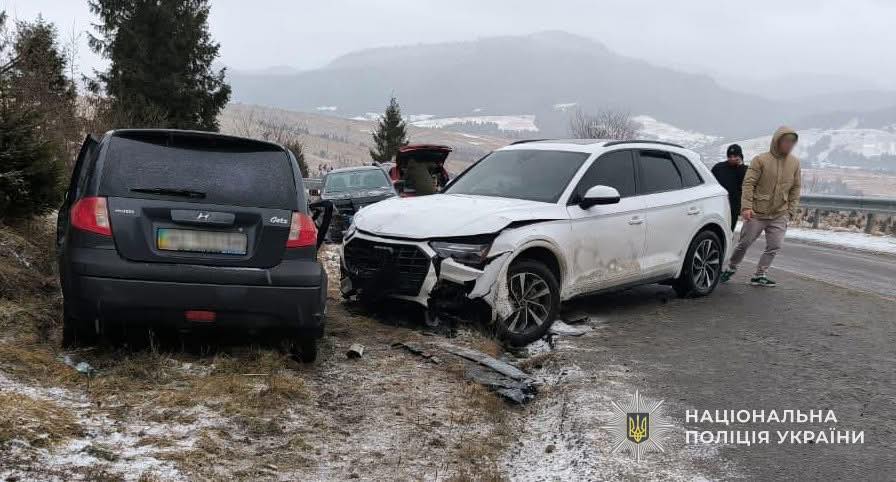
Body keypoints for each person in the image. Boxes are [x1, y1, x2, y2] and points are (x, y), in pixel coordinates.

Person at [721, 127, 801, 287]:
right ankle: (731, 267)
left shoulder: (794, 163)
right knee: (744, 243)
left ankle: (760, 274)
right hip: (756, 212)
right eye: (786, 141)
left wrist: (790, 211)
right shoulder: (760, 160)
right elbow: (748, 184)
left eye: (792, 142)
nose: (789, 145)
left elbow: (796, 187)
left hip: (779, 213)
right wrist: (746, 207)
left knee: (775, 246)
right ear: (777, 141)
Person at [711, 144, 748, 231]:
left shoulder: (745, 170)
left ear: (740, 156)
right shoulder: (719, 167)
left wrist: (740, 165)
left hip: (733, 208)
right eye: (730, 156)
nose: (732, 158)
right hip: (718, 205)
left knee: (728, 232)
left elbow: (747, 184)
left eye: (735, 156)